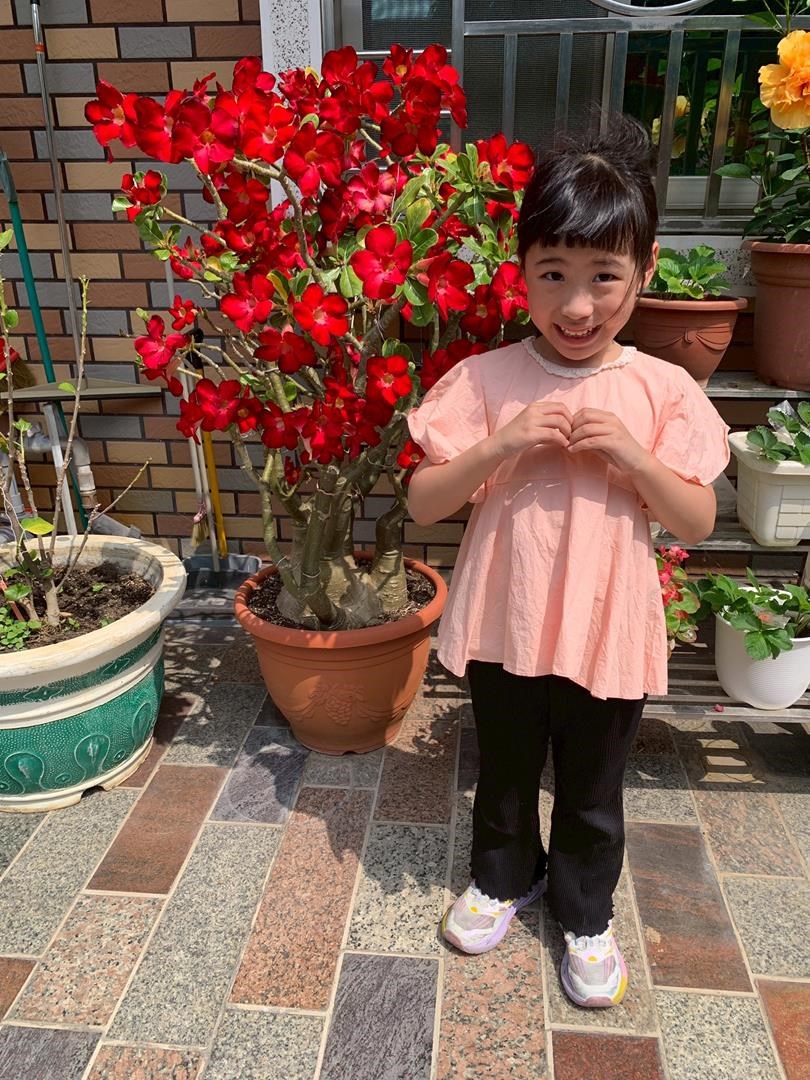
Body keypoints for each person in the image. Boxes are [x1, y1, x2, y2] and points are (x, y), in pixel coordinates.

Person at [406, 115, 730, 1010]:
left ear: (645, 270)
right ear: (521, 273)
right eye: (553, 274)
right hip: (505, 621)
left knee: (593, 788)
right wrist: (499, 444)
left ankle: (587, 914)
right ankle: (503, 878)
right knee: (505, 771)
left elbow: (697, 518)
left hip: (605, 625)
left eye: (604, 276)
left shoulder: (663, 389)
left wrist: (636, 459)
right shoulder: (486, 378)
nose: (577, 305)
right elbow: (424, 502)